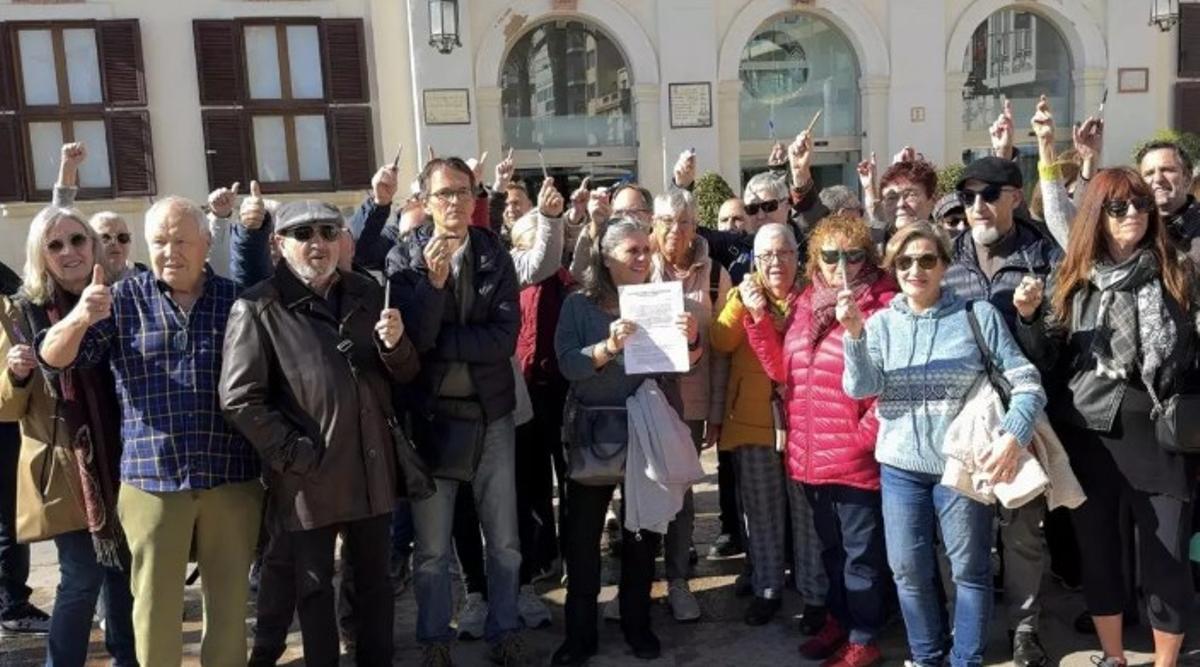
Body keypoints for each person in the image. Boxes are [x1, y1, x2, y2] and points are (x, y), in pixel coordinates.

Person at [37, 196, 266, 666]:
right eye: (159, 241)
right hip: (152, 482)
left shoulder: (236, 301)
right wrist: (81, 316)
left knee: (227, 611)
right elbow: (52, 357)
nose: (170, 252)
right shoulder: (121, 300)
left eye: (181, 241)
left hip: (231, 477)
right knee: (154, 613)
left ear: (205, 243)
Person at [220, 200, 420, 666]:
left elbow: (404, 374)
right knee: (313, 592)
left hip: (371, 466)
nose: (318, 243)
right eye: (303, 233)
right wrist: (295, 454)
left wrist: (396, 347)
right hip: (308, 476)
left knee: (374, 585)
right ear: (279, 244)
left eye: (329, 232)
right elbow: (239, 399)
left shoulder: (367, 293)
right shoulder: (257, 306)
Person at [840, 222, 1047, 667]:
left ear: (945, 266)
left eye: (927, 260)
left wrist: (1014, 434)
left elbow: (1028, 382)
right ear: (893, 268)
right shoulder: (879, 324)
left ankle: (966, 659)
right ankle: (925, 656)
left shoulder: (977, 316)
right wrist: (855, 337)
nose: (916, 269)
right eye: (905, 261)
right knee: (908, 571)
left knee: (969, 571)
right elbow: (860, 388)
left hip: (961, 467)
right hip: (899, 468)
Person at [1016, 168, 1198, 667]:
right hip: (1089, 435)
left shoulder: (1178, 272)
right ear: (1098, 214)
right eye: (1119, 207)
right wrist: (1030, 320)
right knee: (1098, 554)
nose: (1133, 215)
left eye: (1141, 205)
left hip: (1163, 435)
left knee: (1167, 558)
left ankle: (1164, 663)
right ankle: (1113, 656)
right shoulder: (1074, 279)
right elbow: (1048, 360)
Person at [385, 157, 530, 666]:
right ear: (424, 201)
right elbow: (415, 343)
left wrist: (445, 342)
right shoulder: (403, 260)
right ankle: (434, 641)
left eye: (463, 192)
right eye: (444, 194)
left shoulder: (495, 253)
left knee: (505, 540)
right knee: (431, 549)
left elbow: (504, 339)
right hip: (432, 419)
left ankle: (504, 628)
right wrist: (435, 284)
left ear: (475, 197)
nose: (455, 203)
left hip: (490, 415)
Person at [741, 218, 895, 666]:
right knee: (831, 552)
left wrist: (861, 440)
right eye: (830, 256)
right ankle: (838, 622)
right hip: (810, 458)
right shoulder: (808, 302)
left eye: (853, 255)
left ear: (868, 259)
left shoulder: (882, 303)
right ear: (816, 261)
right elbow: (783, 371)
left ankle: (864, 637)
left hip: (854, 460)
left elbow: (888, 388)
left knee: (861, 559)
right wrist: (757, 320)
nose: (841, 265)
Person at [551, 218, 701, 665]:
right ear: (607, 256)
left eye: (645, 250)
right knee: (582, 540)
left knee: (640, 534)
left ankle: (638, 624)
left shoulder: (656, 301)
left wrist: (690, 341)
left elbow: (678, 367)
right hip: (593, 432)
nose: (642, 258)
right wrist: (607, 348)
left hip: (643, 429)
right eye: (632, 251)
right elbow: (567, 365)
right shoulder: (578, 304)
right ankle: (580, 634)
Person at [0, 207, 137, 666]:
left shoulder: (124, 298)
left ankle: (127, 659)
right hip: (69, 469)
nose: (68, 252)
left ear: (93, 246)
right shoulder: (20, 312)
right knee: (81, 577)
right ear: (40, 255)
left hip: (130, 458)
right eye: (54, 245)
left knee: (124, 577)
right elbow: (6, 406)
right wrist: (16, 376)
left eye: (77, 241)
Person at [942, 154, 1063, 667]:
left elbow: (1059, 350)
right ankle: (964, 626)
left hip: (1022, 415)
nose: (977, 206)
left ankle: (1025, 628)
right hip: (961, 420)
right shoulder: (945, 260)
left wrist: (1033, 319)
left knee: (1021, 531)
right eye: (968, 197)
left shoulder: (1046, 258)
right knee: (964, 530)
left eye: (989, 195)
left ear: (1016, 195)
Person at [648, 190, 730, 623]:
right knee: (641, 492)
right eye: (665, 220)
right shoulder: (638, 267)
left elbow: (721, 353)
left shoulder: (715, 274)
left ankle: (678, 580)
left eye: (682, 221)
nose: (673, 230)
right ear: (652, 224)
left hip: (691, 402)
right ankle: (639, 581)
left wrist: (716, 412)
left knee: (680, 495)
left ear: (695, 226)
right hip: (642, 398)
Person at [509, 180, 569, 627]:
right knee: (531, 486)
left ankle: (568, 552)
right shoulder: (512, 276)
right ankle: (541, 553)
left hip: (561, 391)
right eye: (530, 236)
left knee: (568, 478)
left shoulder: (564, 279)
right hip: (523, 393)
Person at [1136, 140, 1200, 263]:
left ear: (1187, 177)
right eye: (1149, 173)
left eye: (1167, 170)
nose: (1158, 179)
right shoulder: (1135, 229)